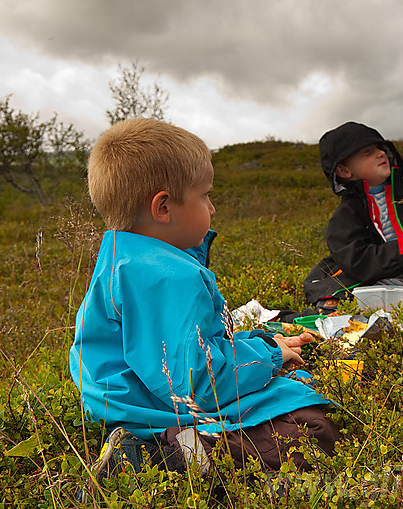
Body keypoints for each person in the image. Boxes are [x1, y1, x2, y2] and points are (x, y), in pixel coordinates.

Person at [70, 118, 338, 476]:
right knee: (310, 430)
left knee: (292, 396)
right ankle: (156, 459)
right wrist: (270, 357)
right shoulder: (168, 277)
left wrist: (264, 342)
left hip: (131, 399)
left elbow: (180, 353)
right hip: (154, 409)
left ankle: (164, 449)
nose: (211, 209)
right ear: (163, 208)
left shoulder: (127, 257)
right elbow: (197, 382)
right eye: (205, 195)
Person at [304, 121, 403, 313]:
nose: (380, 153)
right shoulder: (347, 213)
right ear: (344, 171)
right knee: (336, 297)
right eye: (367, 152)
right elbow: (357, 261)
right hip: (369, 277)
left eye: (380, 147)